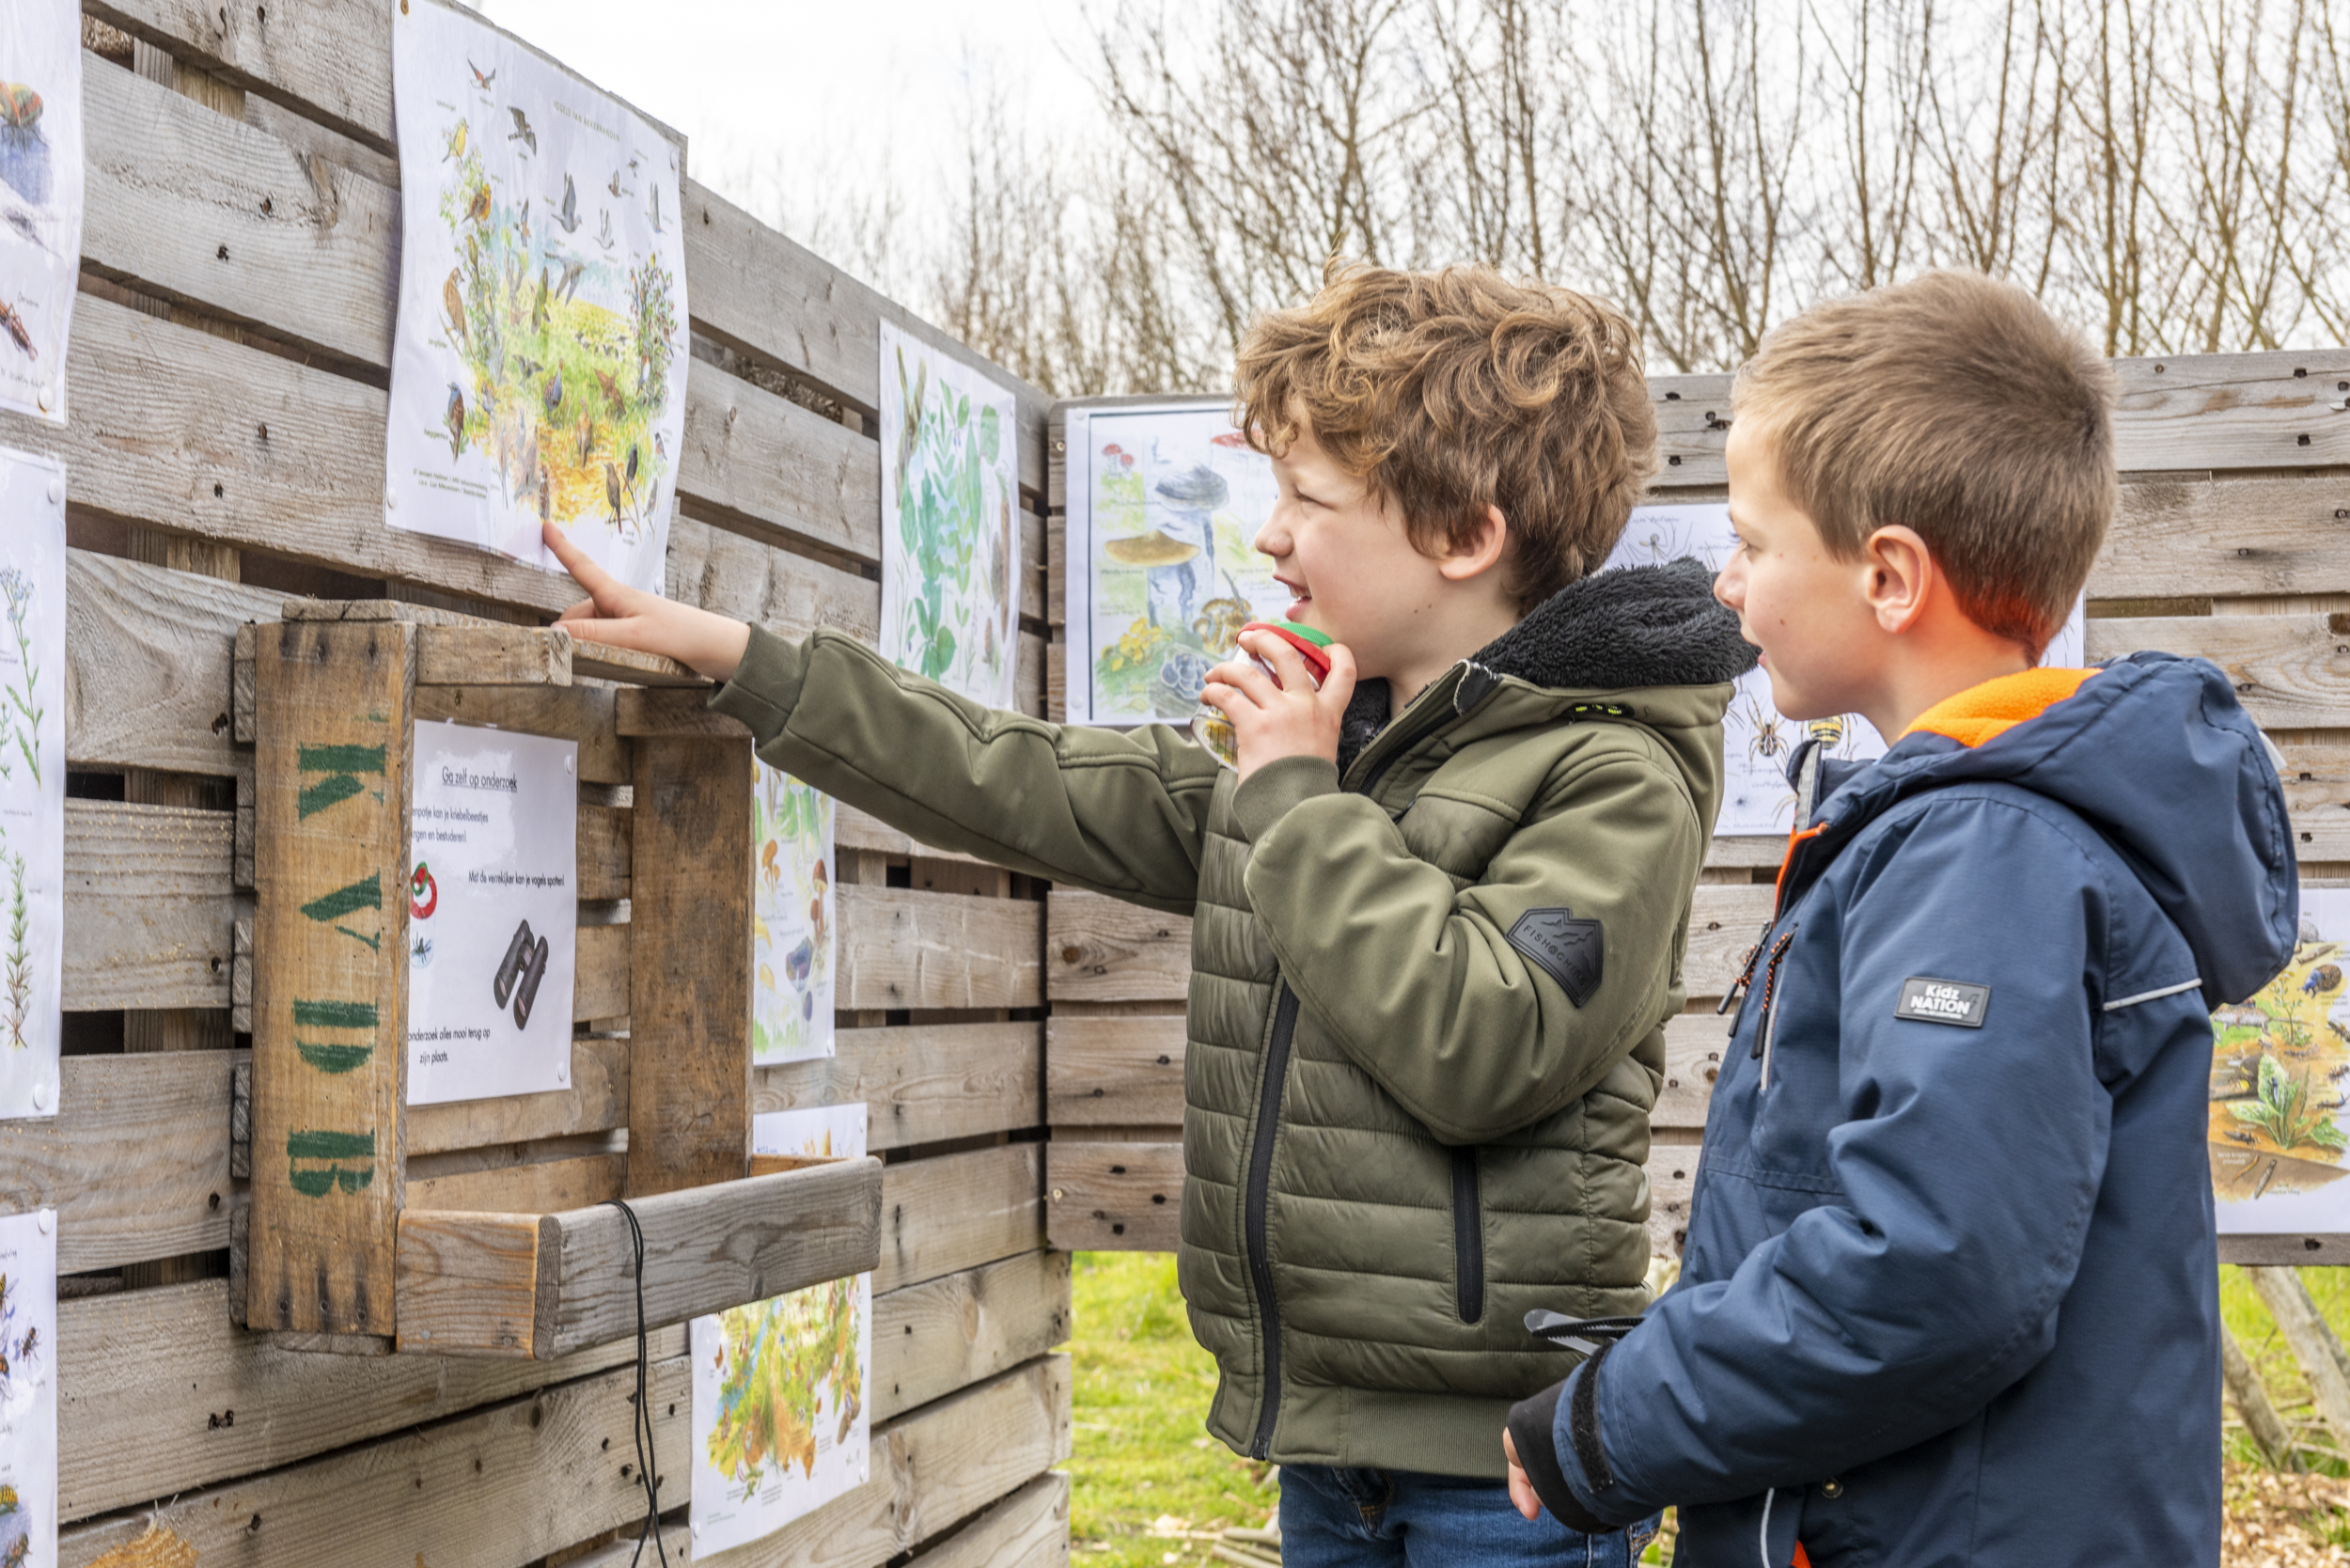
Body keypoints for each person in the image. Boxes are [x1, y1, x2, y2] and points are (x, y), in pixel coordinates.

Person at [546, 259, 1756, 1568]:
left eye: (1308, 497)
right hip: (1325, 1443)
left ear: (1465, 536)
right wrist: (752, 666)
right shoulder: (1325, 741)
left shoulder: (1609, 769)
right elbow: (1026, 779)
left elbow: (1488, 1042)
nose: (1272, 534)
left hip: (1502, 1473)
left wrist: (1291, 792)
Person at [1501, 270, 2298, 1567]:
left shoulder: (1987, 855)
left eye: (1755, 544)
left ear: (1886, 577)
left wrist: (1611, 1427)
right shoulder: (1972, 832)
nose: (1724, 585)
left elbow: (1931, 1267)